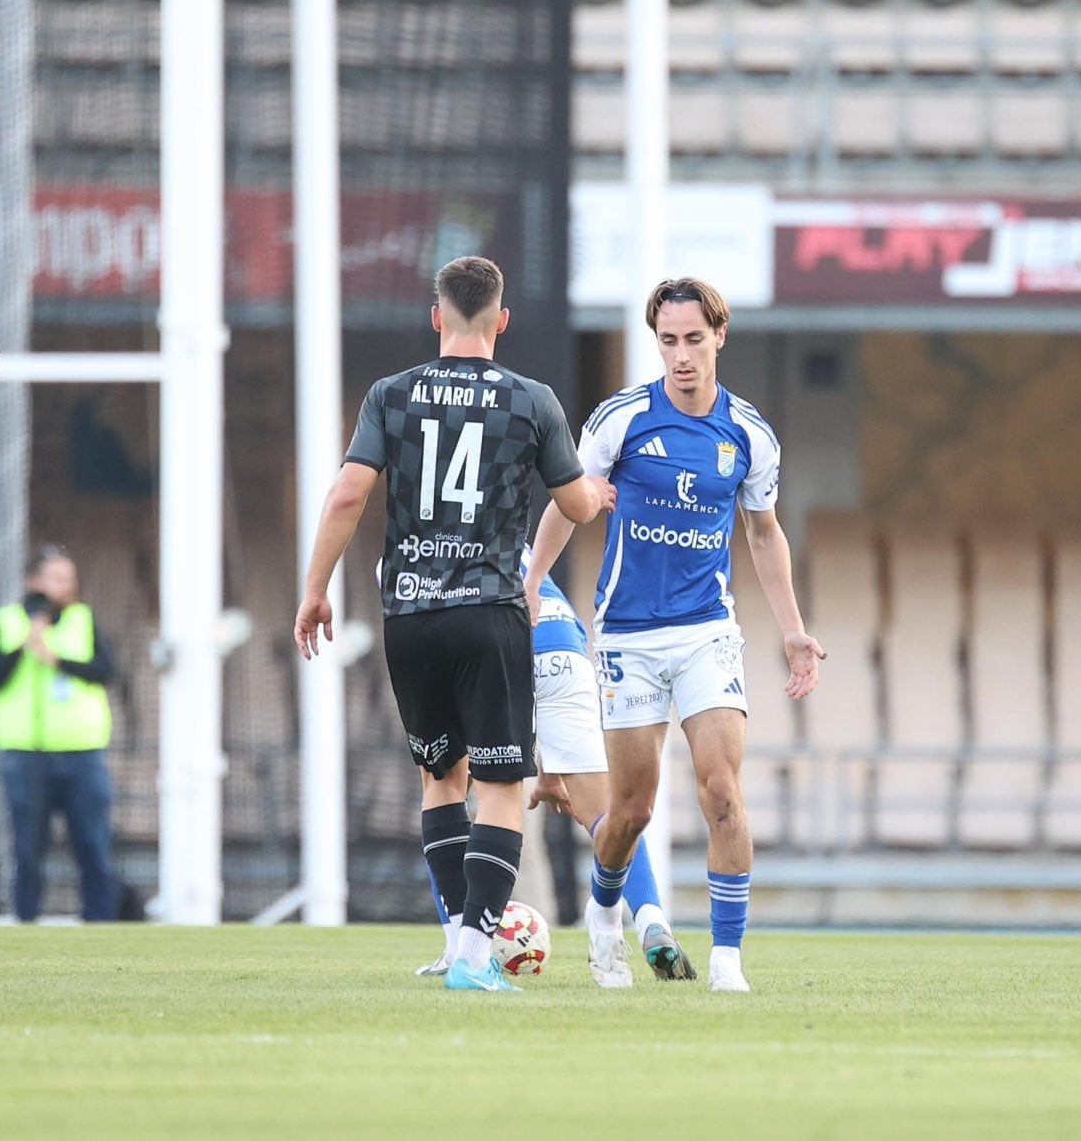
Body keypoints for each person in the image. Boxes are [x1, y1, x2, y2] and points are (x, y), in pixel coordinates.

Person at [294, 256, 613, 993]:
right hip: (487, 614)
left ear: (436, 318)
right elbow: (572, 506)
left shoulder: (389, 395)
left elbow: (347, 497)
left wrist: (316, 590)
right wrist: (593, 492)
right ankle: (475, 955)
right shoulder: (531, 399)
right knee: (501, 786)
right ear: (501, 321)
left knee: (441, 777)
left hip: (410, 615)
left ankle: (450, 941)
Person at [525, 277, 823, 993]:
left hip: (706, 632)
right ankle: (604, 914)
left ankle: (727, 962)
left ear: (719, 335)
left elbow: (763, 531)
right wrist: (531, 583)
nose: (681, 355)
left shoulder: (748, 433)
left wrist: (793, 632)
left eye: (694, 339)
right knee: (632, 811)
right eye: (668, 341)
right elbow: (568, 504)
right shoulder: (621, 420)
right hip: (627, 636)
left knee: (722, 788)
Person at [414, 566, 691, 983]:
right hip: (564, 646)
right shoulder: (514, 533)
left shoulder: (418, 544)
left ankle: (460, 948)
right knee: (607, 816)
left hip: (492, 644)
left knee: (445, 790)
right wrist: (547, 769)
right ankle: (650, 915)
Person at [0, 546, 121, 923]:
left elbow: (105, 669)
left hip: (82, 753)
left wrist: (58, 660)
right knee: (27, 847)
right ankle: (26, 922)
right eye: (55, 578)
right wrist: (25, 645)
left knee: (93, 844)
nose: (64, 586)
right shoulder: (6, 622)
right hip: (25, 754)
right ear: (33, 581)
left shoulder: (84, 619)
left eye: (69, 579)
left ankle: (99, 923)